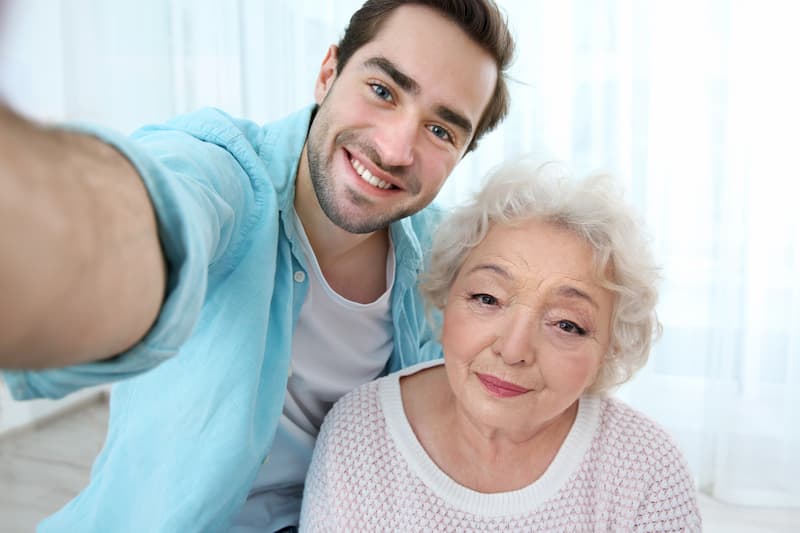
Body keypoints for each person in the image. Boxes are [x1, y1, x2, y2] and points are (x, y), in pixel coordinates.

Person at [0, 1, 515, 531]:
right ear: (328, 74)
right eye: (382, 91)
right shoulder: (225, 174)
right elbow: (145, 219)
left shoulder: (443, 263)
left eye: (441, 131)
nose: (393, 148)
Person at [299, 159, 703, 531]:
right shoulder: (361, 433)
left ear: (608, 351)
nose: (513, 351)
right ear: (446, 294)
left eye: (566, 324)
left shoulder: (648, 471)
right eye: (487, 299)